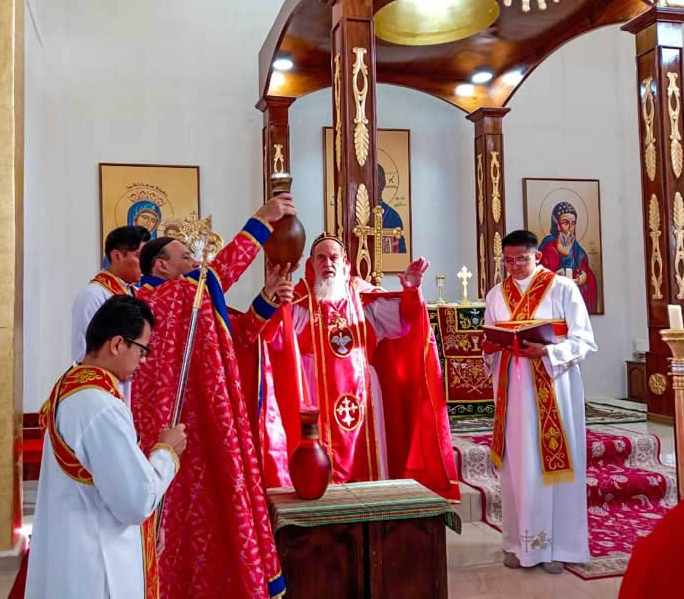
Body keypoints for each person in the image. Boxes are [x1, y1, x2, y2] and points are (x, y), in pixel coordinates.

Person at [132, 194, 295, 599]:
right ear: (160, 266)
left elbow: (238, 338)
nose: (195, 263)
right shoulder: (152, 300)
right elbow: (214, 275)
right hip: (167, 436)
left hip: (205, 432)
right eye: (186, 256)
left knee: (215, 522)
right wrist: (260, 222)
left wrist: (268, 299)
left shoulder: (191, 302)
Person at [256, 232, 459, 501]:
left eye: (334, 257)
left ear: (345, 263)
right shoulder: (299, 301)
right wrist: (273, 301)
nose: (328, 263)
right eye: (321, 258)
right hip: (316, 395)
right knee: (322, 466)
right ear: (311, 264)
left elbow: (406, 324)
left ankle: (372, 508)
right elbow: (271, 342)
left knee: (370, 459)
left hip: (365, 399)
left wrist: (411, 290)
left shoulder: (365, 299)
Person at [24, 296, 187, 598]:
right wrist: (166, 452)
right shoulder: (100, 406)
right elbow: (135, 501)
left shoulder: (69, 385)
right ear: (117, 344)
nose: (144, 360)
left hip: (71, 547)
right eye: (142, 349)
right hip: (98, 563)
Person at [482, 229, 597, 574]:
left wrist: (548, 351)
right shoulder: (495, 295)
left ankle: (559, 546)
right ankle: (519, 544)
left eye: (521, 259)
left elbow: (584, 340)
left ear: (537, 256)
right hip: (512, 391)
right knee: (518, 466)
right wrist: (492, 347)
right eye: (508, 260)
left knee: (555, 468)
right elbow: (490, 339)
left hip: (555, 390)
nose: (514, 266)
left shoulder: (563, 288)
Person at [72, 225, 150, 405]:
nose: (145, 264)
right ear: (116, 256)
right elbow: (85, 352)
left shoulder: (138, 293)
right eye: (139, 256)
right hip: (105, 390)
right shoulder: (93, 295)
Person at [538, 201, 598, 313]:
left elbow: (582, 264)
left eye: (573, 223)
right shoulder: (549, 244)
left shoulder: (575, 246)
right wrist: (563, 255)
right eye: (566, 223)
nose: (570, 228)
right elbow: (544, 274)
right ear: (557, 225)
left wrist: (584, 276)